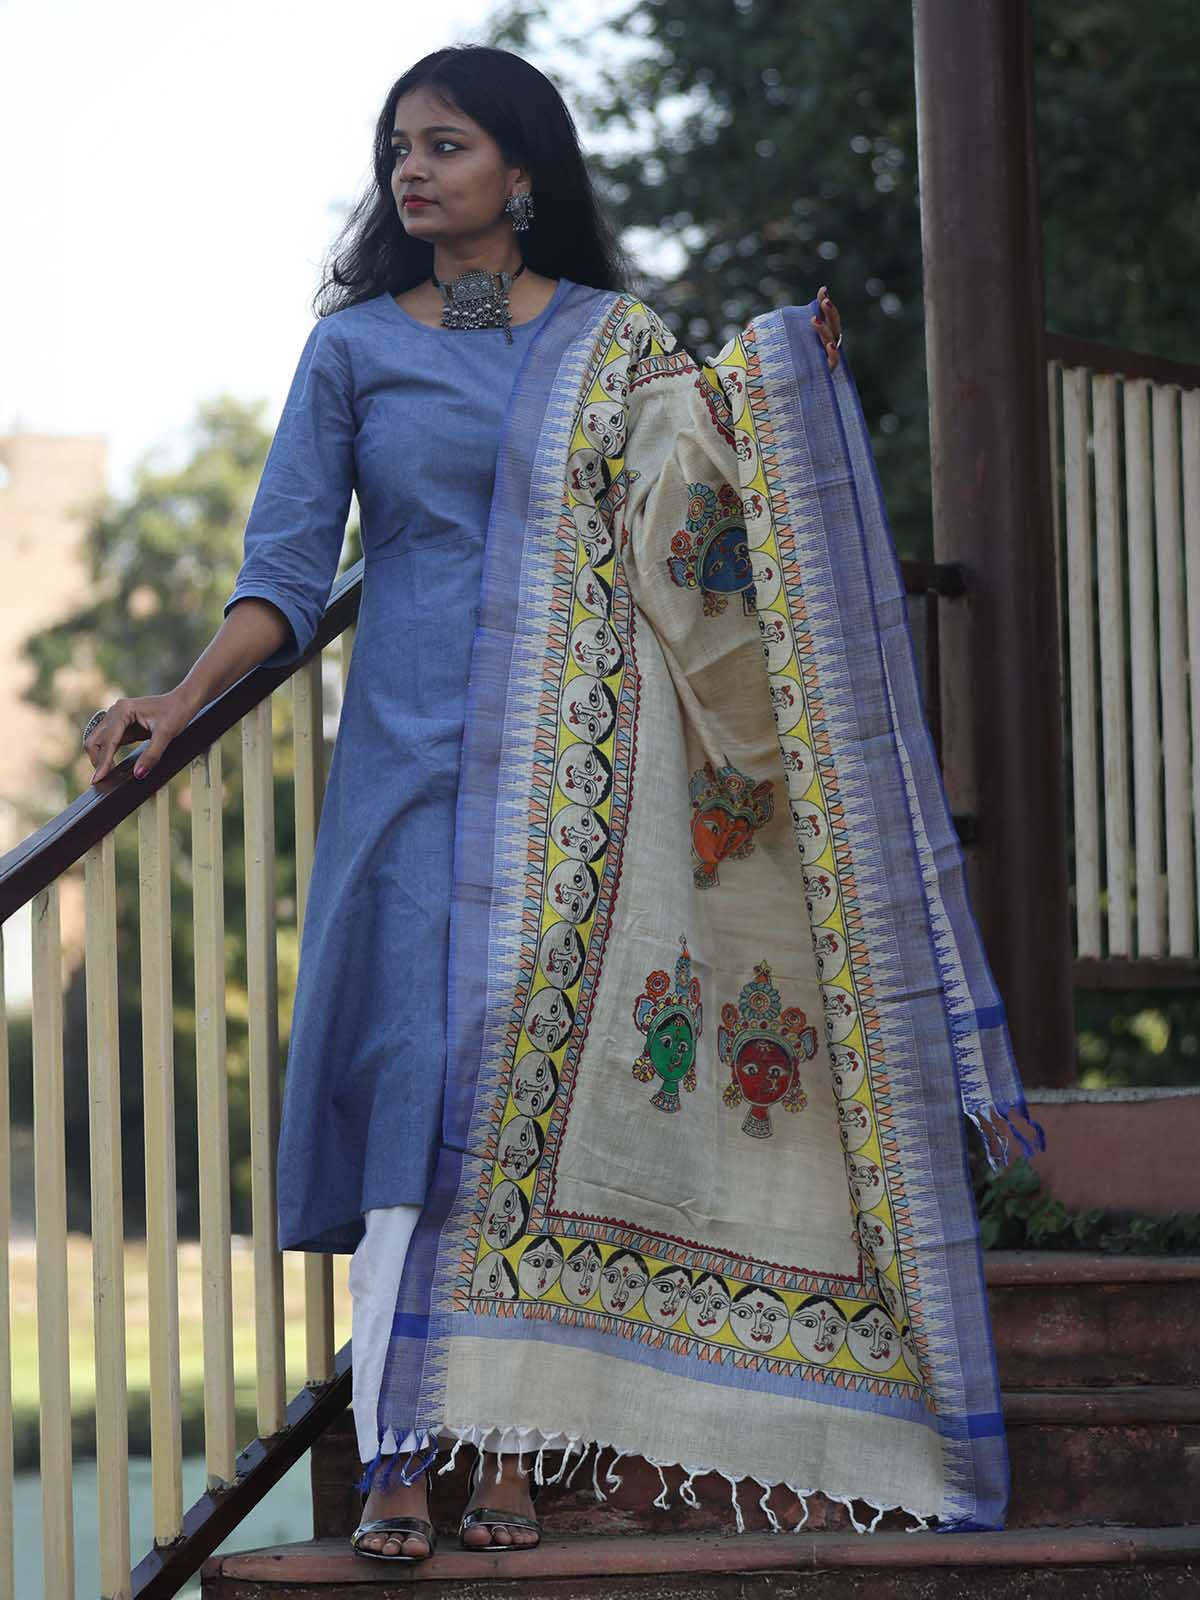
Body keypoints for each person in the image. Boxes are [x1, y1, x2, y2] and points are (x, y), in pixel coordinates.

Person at [85, 43, 1036, 1567]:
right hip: (409, 772)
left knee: (535, 1084)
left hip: (584, 787)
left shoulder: (611, 343)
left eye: (445, 145)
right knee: (416, 1082)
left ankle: (513, 1455)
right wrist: (180, 699)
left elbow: (699, 493)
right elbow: (285, 567)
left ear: (520, 174)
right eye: (399, 147)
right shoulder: (356, 352)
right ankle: (401, 1452)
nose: (411, 170)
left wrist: (785, 393)